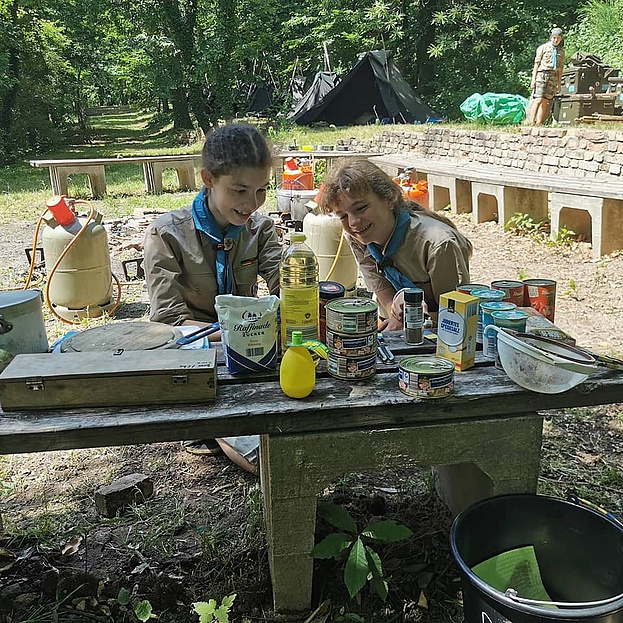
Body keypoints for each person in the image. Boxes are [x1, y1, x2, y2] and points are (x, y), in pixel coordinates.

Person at [143, 123, 281, 472]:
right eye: (239, 190)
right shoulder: (166, 234)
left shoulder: (260, 230)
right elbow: (168, 323)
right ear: (208, 178)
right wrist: (248, 328)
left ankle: (217, 429)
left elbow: (288, 290)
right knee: (262, 453)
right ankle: (217, 429)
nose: (252, 203)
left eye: (262, 190)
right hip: (195, 353)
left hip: (256, 348)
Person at [317, 159, 472, 329]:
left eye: (361, 208)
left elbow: (455, 315)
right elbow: (383, 292)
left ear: (389, 199)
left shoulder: (438, 244)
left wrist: (412, 317)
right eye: (343, 216)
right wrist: (397, 315)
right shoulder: (359, 237)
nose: (353, 222)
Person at [527, 27, 565, 126]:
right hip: (542, 74)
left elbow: (560, 69)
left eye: (558, 38)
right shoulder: (543, 48)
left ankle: (539, 123)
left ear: (561, 38)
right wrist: (533, 79)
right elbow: (537, 64)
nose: (556, 40)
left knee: (546, 101)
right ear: (551, 37)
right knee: (538, 99)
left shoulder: (561, 51)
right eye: (554, 38)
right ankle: (531, 122)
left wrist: (559, 84)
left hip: (553, 76)